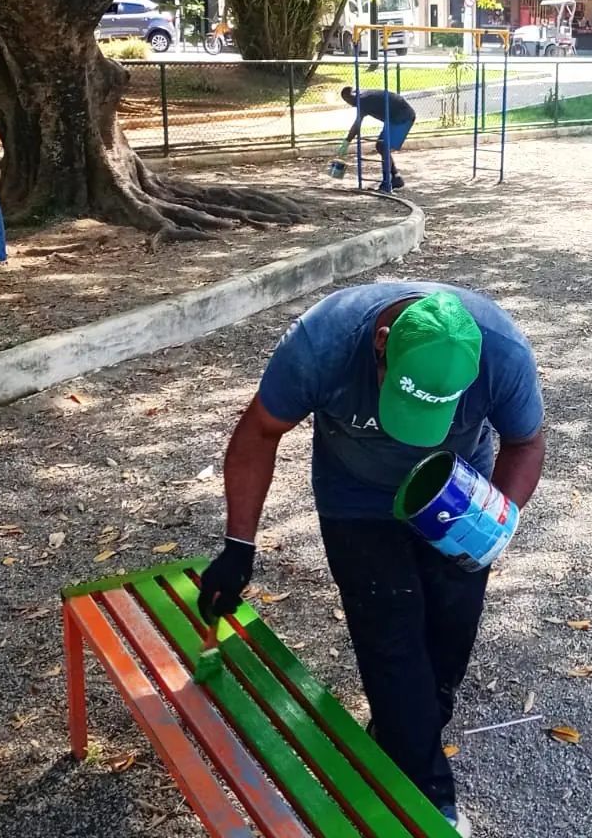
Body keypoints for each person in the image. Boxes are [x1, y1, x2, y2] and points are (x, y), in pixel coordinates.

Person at [197, 283, 546, 836]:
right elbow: (259, 432)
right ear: (381, 343)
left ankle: (403, 733)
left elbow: (526, 443)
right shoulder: (322, 342)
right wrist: (239, 545)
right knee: (391, 638)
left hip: (455, 494)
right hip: (357, 498)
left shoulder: (502, 352)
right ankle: (426, 801)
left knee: (449, 637)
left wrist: (496, 518)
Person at [342, 86, 417, 189]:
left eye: (347, 101)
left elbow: (357, 124)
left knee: (383, 146)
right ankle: (395, 177)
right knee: (381, 146)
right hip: (394, 117)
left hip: (402, 116)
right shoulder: (363, 95)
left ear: (349, 98)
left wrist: (347, 141)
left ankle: (387, 182)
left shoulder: (362, 101)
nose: (350, 105)